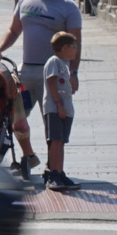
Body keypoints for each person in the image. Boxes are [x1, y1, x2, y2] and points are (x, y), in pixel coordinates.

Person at [0, 0, 81, 177]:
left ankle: (53, 167)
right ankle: (29, 155)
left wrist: (74, 73)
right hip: (27, 72)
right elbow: (13, 29)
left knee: (53, 122)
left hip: (54, 75)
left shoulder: (68, 7)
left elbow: (76, 44)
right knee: (15, 117)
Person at [42, 32, 82, 191]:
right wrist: (58, 104)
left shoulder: (65, 65)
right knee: (55, 141)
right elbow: (51, 83)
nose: (76, 51)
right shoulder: (54, 62)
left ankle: (60, 172)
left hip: (65, 110)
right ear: (65, 47)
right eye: (74, 47)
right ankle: (53, 174)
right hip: (55, 109)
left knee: (61, 142)